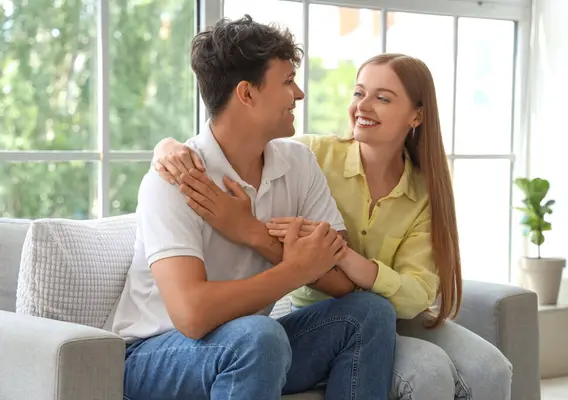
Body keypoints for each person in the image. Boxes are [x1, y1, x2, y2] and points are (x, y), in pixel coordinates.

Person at [154, 46, 514, 399]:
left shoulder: (423, 190)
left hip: (395, 312)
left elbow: (416, 294)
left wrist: (341, 255)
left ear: (416, 116)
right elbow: (237, 136)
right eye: (359, 93)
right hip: (325, 311)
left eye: (383, 98)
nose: (363, 106)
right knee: (426, 368)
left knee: (491, 368)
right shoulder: (313, 156)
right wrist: (167, 147)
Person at [110, 15, 397, 400]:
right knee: (258, 336)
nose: (299, 94)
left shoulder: (298, 164)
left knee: (369, 313)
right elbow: (192, 317)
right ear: (246, 94)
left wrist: (252, 233)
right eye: (287, 81)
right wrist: (294, 268)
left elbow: (342, 278)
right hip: (155, 354)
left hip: (252, 346)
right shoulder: (179, 178)